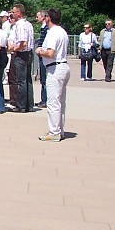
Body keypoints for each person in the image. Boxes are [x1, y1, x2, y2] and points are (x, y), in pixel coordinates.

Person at [35, 8, 70, 142]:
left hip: (55, 68)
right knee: (60, 101)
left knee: (53, 102)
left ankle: (54, 131)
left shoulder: (53, 33)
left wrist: (40, 51)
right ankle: (59, 129)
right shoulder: (62, 31)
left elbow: (50, 53)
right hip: (62, 66)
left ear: (48, 18)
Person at [11, 4, 35, 113]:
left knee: (21, 81)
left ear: (19, 13)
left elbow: (23, 43)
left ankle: (21, 106)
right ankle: (29, 105)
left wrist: (14, 49)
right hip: (29, 53)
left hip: (22, 54)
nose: (12, 14)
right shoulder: (28, 24)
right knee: (28, 80)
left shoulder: (20, 25)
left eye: (14, 12)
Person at [35, 10, 49, 108]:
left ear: (43, 17)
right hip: (41, 54)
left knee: (45, 78)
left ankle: (45, 100)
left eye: (38, 16)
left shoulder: (46, 29)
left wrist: (41, 49)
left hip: (43, 55)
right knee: (43, 78)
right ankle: (43, 99)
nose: (37, 18)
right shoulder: (43, 28)